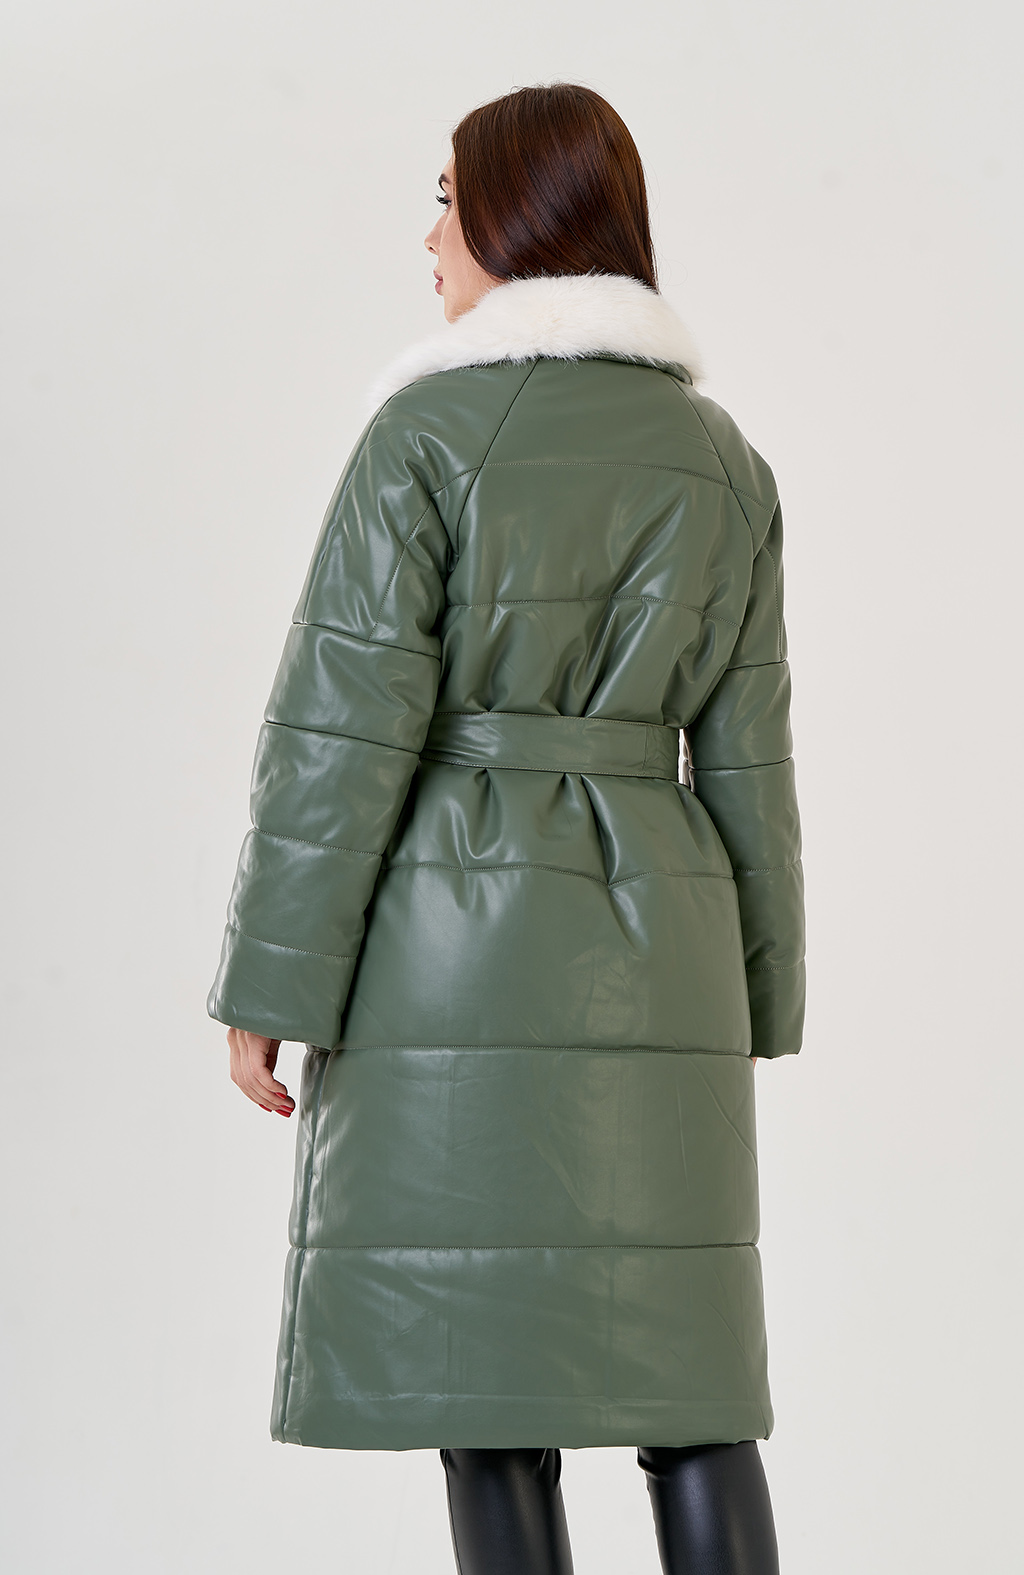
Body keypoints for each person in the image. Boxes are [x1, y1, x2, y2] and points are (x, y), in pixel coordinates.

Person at [210, 82, 805, 1575]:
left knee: (484, 1397)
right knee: (689, 1387)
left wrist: (270, 983)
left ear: (516, 214)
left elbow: (339, 734)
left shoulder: (426, 435)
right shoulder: (722, 460)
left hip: (449, 942)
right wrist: (759, 990)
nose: (428, 237)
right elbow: (751, 760)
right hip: (664, 949)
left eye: (444, 200)